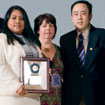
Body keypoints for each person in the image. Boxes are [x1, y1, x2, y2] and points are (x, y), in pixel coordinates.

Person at [60, 1, 105, 105]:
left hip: (96, 95)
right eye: (76, 14)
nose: (79, 17)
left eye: (83, 13)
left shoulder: (102, 35)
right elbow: (65, 67)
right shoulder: (65, 39)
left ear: (90, 16)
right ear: (72, 17)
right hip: (72, 96)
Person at [0, 5, 42, 105]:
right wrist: (16, 86)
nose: (18, 21)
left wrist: (45, 77)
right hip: (12, 97)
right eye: (14, 18)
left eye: (21, 19)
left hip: (33, 97)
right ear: (7, 21)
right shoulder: (2, 39)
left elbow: (40, 65)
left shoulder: (33, 42)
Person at [34, 13, 63, 105]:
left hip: (57, 97)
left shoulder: (60, 50)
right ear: (38, 30)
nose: (48, 29)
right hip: (37, 97)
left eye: (51, 25)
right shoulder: (31, 49)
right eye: (44, 26)